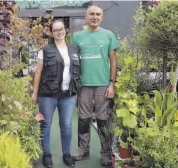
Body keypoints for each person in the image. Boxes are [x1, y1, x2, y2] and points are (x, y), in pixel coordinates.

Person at [71, 5, 119, 166]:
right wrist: (75, 85)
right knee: (83, 118)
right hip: (83, 85)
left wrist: (111, 84)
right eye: (92, 14)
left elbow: (113, 61)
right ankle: (83, 149)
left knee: (103, 119)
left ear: (102, 17)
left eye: (98, 14)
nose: (95, 17)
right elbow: (73, 62)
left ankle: (106, 152)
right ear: (86, 16)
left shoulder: (108, 35)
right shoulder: (77, 37)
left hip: (103, 85)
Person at [32, 20, 81, 168]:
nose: (59, 32)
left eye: (61, 29)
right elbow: (38, 72)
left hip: (68, 94)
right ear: (52, 33)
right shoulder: (45, 50)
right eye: (55, 30)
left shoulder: (74, 49)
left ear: (66, 30)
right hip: (47, 94)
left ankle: (66, 154)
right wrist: (35, 93)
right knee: (46, 125)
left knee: (66, 125)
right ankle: (47, 154)